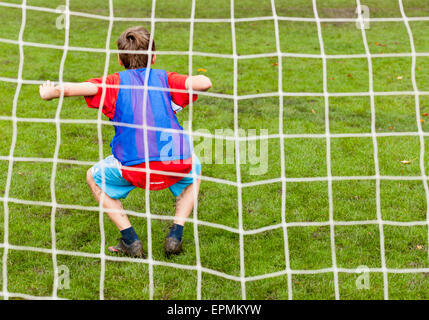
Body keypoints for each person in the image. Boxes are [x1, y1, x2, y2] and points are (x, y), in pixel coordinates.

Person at [39, 26, 212, 258]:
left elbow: (80, 88)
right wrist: (197, 78)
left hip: (133, 167)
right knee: (195, 165)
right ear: (154, 57)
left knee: (93, 176)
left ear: (120, 59)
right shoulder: (166, 78)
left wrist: (51, 92)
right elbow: (204, 83)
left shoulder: (113, 82)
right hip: (175, 164)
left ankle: (130, 240)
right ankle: (175, 234)